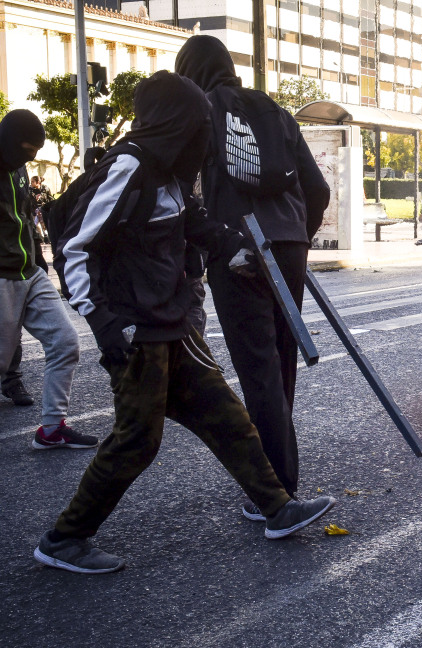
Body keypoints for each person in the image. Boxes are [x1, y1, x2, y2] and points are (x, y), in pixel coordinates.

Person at [34, 71, 335, 575]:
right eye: (197, 126)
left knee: (230, 420)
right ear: (175, 122)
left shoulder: (171, 174)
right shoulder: (128, 168)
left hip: (174, 326)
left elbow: (195, 225)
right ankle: (64, 539)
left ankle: (278, 508)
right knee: (136, 442)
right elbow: (75, 250)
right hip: (137, 335)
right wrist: (105, 325)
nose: (203, 140)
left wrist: (239, 252)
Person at [176, 35, 331, 514]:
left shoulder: (198, 110)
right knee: (282, 361)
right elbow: (318, 189)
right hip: (288, 244)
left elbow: (181, 193)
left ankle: (277, 491)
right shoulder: (275, 111)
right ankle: (280, 477)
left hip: (238, 246)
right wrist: (296, 238)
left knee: (257, 366)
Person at [0, 110, 97, 448]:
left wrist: (41, 262)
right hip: (2, 277)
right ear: (11, 142)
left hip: (31, 273)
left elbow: (25, 216)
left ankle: (52, 429)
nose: (33, 156)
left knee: (66, 343)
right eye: (28, 149)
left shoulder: (20, 170)